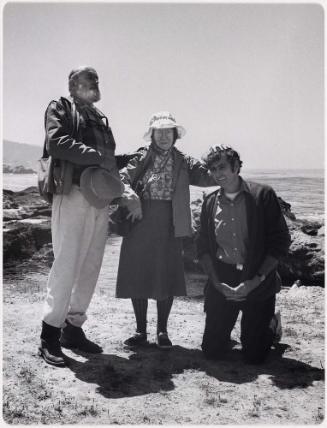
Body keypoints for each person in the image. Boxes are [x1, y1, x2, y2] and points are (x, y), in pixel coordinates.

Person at [39, 66, 138, 367]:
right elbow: (58, 142)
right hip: (71, 193)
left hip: (99, 196)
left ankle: (73, 328)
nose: (94, 84)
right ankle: (49, 335)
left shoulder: (99, 118)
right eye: (88, 80)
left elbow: (105, 161)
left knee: (91, 265)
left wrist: (127, 159)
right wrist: (102, 158)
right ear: (73, 85)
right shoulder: (61, 107)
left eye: (96, 80)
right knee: (67, 262)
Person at [115, 111, 216, 349]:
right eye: (158, 132)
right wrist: (132, 199)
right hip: (139, 219)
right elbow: (122, 177)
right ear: (152, 135)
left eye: (168, 132)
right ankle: (141, 332)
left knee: (166, 275)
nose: (163, 137)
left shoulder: (184, 160)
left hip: (170, 223)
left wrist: (219, 160)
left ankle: (162, 331)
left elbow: (209, 177)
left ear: (174, 135)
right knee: (137, 274)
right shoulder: (142, 155)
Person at [196, 145, 291, 364]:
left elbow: (280, 241)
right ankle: (225, 327)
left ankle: (273, 324)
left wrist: (254, 281)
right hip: (223, 280)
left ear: (237, 166)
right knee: (212, 352)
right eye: (213, 169)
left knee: (255, 357)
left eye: (222, 167)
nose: (218, 173)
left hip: (257, 278)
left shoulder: (263, 195)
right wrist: (216, 283)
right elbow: (201, 246)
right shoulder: (210, 202)